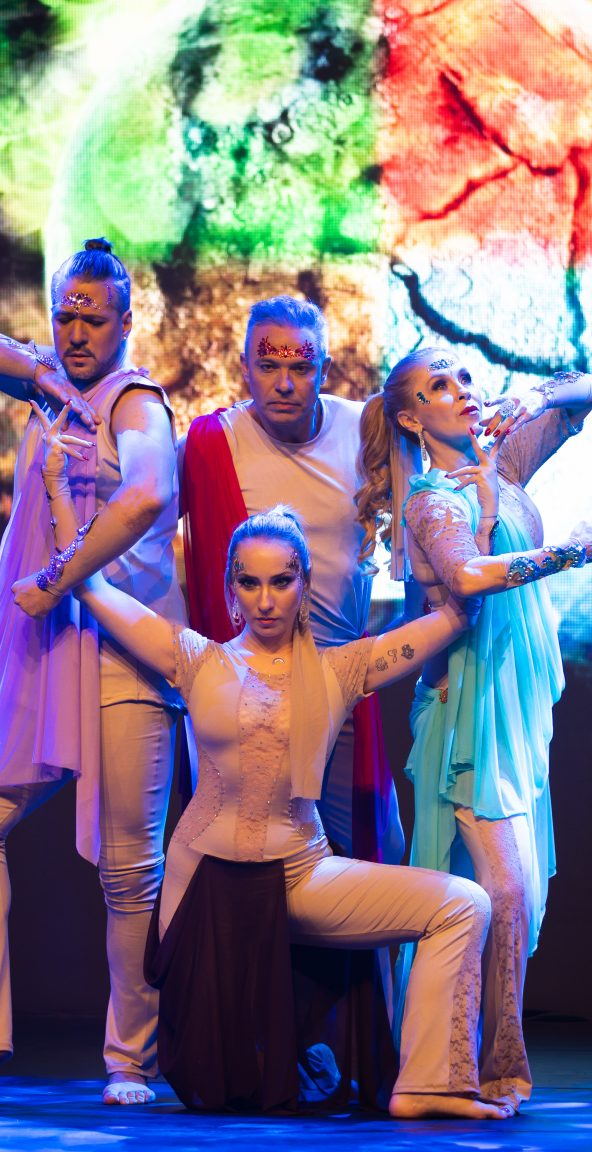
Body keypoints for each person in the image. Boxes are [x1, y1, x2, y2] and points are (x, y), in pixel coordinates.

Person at [68, 500, 511, 1120]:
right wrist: (60, 485)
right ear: (230, 589)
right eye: (249, 582)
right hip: (207, 895)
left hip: (301, 878)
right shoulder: (195, 659)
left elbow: (458, 612)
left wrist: (494, 526)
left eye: (282, 580)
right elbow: (85, 583)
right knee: (225, 1083)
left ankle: (428, 1084)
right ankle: (141, 1057)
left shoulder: (342, 669)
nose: (266, 599)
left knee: (464, 903)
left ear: (304, 584)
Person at [0, 238, 184, 1107]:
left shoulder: (139, 405)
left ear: (126, 323)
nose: (74, 330)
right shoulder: (52, 384)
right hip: (50, 646)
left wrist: (62, 577)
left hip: (122, 647)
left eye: (91, 318)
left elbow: (143, 497)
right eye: (64, 313)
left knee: (127, 867)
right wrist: (39, 367)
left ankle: (129, 1058)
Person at [355, 348, 592, 1110]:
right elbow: (469, 574)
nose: (461, 393)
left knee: (513, 892)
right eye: (439, 387)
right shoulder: (433, 499)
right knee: (503, 889)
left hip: (509, 698)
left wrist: (528, 397)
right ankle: (491, 1061)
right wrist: (565, 553)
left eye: (464, 379)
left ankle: (458, 1060)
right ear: (412, 417)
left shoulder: (502, 463)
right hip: (466, 708)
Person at [180, 296, 402, 866]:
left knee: (361, 858)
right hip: (254, 695)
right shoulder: (213, 443)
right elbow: (142, 516)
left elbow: (428, 514)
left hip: (341, 681)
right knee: (257, 867)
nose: (284, 383)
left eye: (301, 367)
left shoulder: (364, 430)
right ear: (245, 368)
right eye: (269, 366)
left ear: (323, 370)